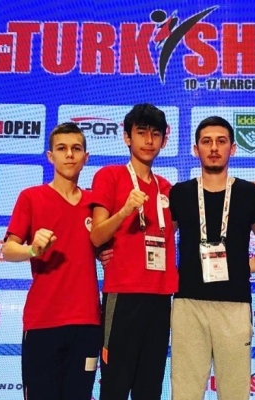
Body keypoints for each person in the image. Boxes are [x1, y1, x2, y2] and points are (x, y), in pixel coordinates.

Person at [2, 122, 101, 400]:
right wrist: (33, 250)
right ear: (50, 156)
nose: (69, 154)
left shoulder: (96, 204)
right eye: (62, 148)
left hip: (87, 322)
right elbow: (8, 250)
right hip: (43, 321)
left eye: (76, 148)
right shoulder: (31, 197)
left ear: (86, 157)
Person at [169, 116, 255, 400]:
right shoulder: (180, 193)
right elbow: (161, 242)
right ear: (195, 149)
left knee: (234, 393)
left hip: (235, 305)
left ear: (232, 148)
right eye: (206, 141)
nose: (213, 148)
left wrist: (244, 267)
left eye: (221, 141)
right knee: (185, 393)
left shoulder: (249, 193)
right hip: (188, 304)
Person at [89, 103, 177, 400]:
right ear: (127, 137)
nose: (149, 141)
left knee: (149, 387)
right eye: (141, 133)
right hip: (123, 294)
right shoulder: (109, 176)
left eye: (155, 134)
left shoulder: (166, 188)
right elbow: (96, 235)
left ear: (164, 140)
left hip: (161, 296)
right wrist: (125, 210)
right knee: (115, 384)